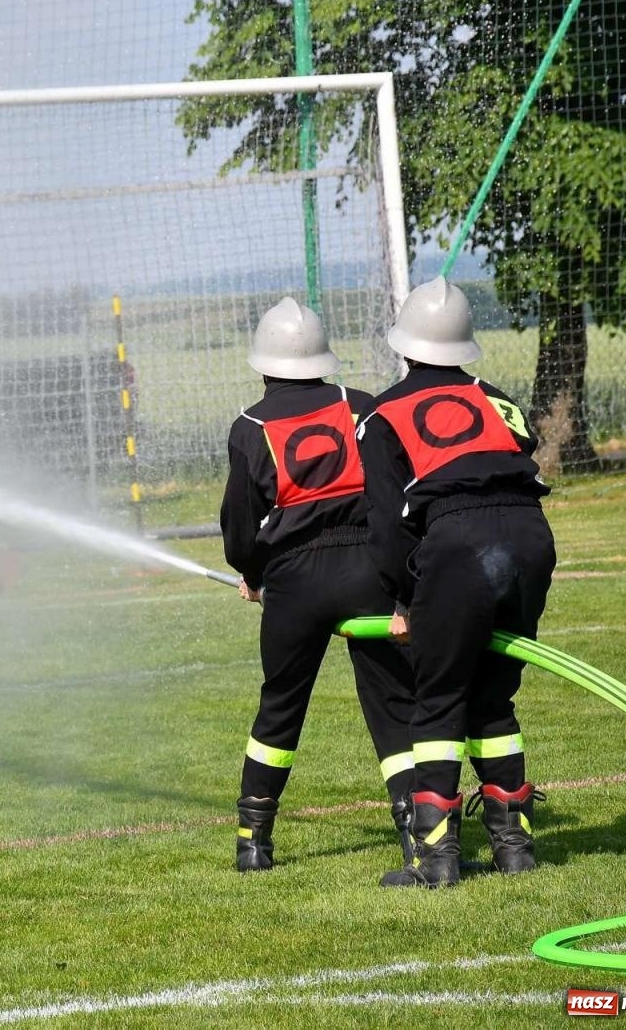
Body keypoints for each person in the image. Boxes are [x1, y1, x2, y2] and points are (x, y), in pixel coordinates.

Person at [358, 277, 556, 888]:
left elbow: (388, 529)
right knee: (494, 697)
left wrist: (405, 598)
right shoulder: (501, 401)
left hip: (457, 546)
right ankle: (514, 845)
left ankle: (436, 856)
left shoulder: (383, 415)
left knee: (437, 699)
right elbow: (516, 459)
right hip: (530, 540)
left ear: (406, 346)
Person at [221, 297, 417, 873]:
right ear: (324, 361)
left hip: (296, 581)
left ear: (265, 365)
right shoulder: (361, 406)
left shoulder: (250, 427)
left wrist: (255, 577)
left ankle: (254, 842)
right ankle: (416, 829)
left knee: (280, 706)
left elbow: (240, 526)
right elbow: (394, 494)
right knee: (393, 702)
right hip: (369, 570)